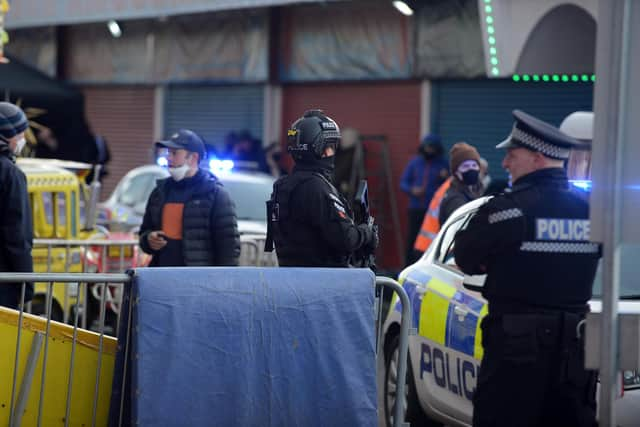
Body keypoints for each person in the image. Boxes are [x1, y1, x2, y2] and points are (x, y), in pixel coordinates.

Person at [453, 110, 600, 427]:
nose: (505, 163)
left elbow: (464, 258)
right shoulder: (593, 211)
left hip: (516, 354)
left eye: (512, 154)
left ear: (536, 157)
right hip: (575, 352)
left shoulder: (507, 211)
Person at [265, 109, 378, 267]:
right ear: (319, 148)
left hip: (291, 279)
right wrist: (367, 231)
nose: (332, 153)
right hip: (324, 283)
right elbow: (347, 238)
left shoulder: (282, 185)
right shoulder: (317, 188)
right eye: (330, 147)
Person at [139, 129, 240, 267]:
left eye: (174, 153)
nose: (168, 158)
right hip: (161, 279)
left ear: (193, 158)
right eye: (168, 152)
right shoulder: (160, 192)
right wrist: (148, 240)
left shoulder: (215, 194)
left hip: (199, 281)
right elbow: (144, 233)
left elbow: (228, 248)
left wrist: (223, 283)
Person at [0, 102, 33, 308]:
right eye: (20, 134)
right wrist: (26, 283)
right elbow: (16, 235)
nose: (23, 140)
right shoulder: (10, 174)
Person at [400, 134, 448, 265]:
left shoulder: (443, 164)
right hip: (415, 208)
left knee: (432, 241)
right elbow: (403, 182)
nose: (429, 150)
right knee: (412, 239)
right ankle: (407, 266)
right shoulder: (415, 163)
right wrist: (412, 190)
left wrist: (445, 176)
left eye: (432, 148)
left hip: (432, 211)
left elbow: (450, 183)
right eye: (427, 147)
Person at [438, 142, 484, 225]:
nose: (471, 169)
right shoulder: (455, 199)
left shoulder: (475, 191)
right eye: (465, 166)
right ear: (456, 172)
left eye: (474, 165)